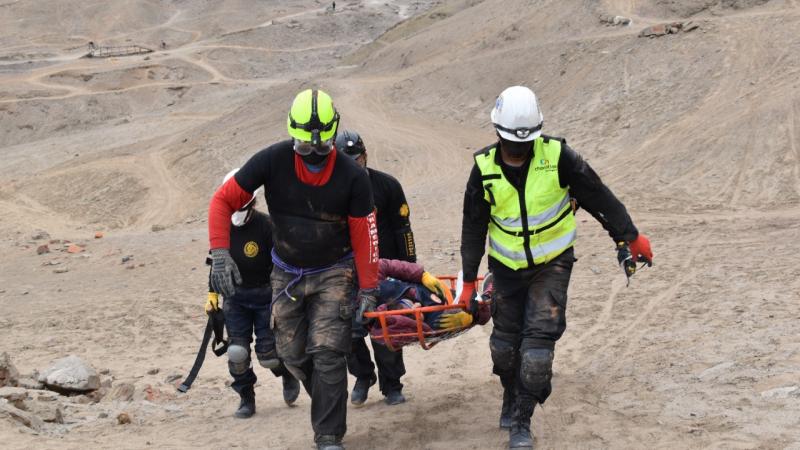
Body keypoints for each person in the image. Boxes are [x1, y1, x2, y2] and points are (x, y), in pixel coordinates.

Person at [459, 86, 654, 449]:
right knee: (504, 349)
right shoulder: (483, 168)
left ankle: (521, 421)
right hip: (505, 268)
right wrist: (469, 281)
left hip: (552, 265)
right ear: (498, 132)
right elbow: (473, 227)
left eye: (525, 142)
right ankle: (510, 393)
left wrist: (629, 236)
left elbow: (597, 195)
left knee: (536, 353)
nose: (518, 149)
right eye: (512, 143)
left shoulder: (558, 156)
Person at [207, 89, 378, 450]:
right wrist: (220, 253)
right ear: (291, 134)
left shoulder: (353, 177)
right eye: (304, 146)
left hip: (334, 272)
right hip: (286, 274)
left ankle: (328, 436)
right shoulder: (272, 160)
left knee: (328, 352)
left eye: (322, 146)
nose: (313, 153)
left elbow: (365, 234)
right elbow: (223, 200)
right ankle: (328, 399)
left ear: (333, 134)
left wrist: (369, 287)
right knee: (291, 353)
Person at [205, 169, 300, 419]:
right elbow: (217, 264)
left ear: (251, 199)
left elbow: (282, 264)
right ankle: (246, 398)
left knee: (268, 355)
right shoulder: (221, 224)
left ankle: (287, 373)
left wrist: (282, 294)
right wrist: (212, 294)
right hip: (235, 298)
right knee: (237, 353)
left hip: (265, 297)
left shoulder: (267, 226)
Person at [336, 129, 417, 407]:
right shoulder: (332, 193)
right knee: (349, 332)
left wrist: (409, 269)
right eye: (346, 161)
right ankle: (363, 376)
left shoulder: (387, 186)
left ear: (365, 156)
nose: (353, 165)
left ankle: (392, 384)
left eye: (357, 159)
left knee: (386, 328)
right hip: (347, 273)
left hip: (384, 271)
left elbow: (403, 230)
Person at [367, 259, 492, 348]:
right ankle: (488, 294)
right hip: (452, 304)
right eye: (414, 316)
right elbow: (479, 317)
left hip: (436, 289)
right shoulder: (434, 322)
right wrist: (471, 318)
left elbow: (382, 265)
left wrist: (421, 275)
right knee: (478, 310)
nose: (417, 306)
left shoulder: (383, 290)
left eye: (409, 303)